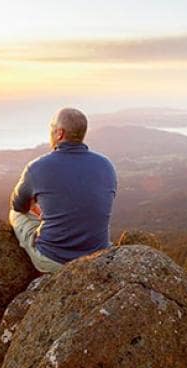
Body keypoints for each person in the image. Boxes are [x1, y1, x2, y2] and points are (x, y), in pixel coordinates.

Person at [9, 107, 117, 273]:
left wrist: (36, 207)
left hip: (54, 259)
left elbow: (18, 205)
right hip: (98, 255)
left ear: (59, 133)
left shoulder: (37, 167)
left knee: (15, 214)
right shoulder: (106, 165)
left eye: (51, 128)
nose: (50, 133)